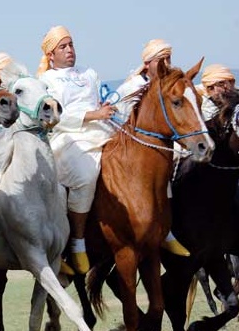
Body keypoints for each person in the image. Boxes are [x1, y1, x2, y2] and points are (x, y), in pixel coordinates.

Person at [36, 26, 118, 275]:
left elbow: (97, 101)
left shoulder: (89, 73)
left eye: (71, 44)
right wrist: (94, 114)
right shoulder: (46, 80)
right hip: (68, 137)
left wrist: (103, 109)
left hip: (101, 128)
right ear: (51, 54)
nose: (70, 50)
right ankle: (78, 240)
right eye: (63, 46)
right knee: (86, 175)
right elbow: (55, 115)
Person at [113, 39, 194, 257]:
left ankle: (166, 230)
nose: (167, 64)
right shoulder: (130, 87)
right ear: (148, 63)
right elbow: (116, 116)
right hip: (131, 150)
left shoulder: (170, 86)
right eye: (162, 60)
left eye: (169, 59)